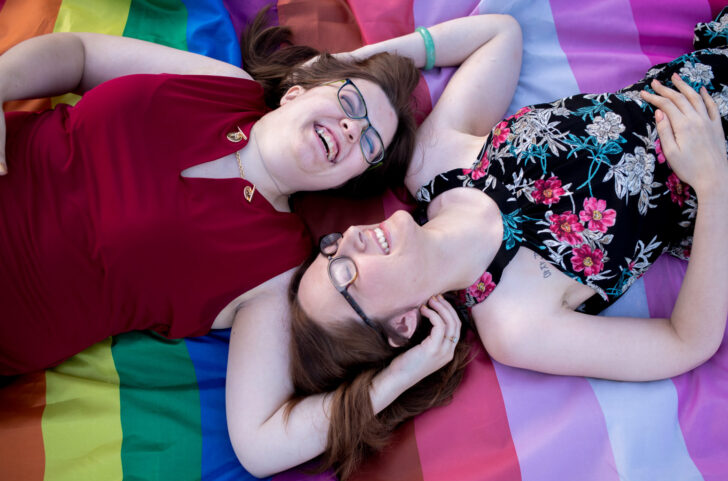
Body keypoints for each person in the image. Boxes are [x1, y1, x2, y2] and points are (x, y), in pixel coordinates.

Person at [227, 8, 728, 481]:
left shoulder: (433, 164)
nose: (347, 240)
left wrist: (340, 68)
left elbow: (499, 34)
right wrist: (714, 187)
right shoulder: (516, 326)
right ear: (402, 325)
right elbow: (685, 342)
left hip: (725, 74)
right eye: (345, 275)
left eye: (329, 250)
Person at [0, 9, 420, 375]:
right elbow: (79, 54)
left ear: (346, 180)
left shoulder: (276, 267)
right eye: (350, 102)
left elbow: (260, 434)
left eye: (370, 144)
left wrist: (408, 370)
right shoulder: (225, 84)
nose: (352, 127)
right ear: (296, 92)